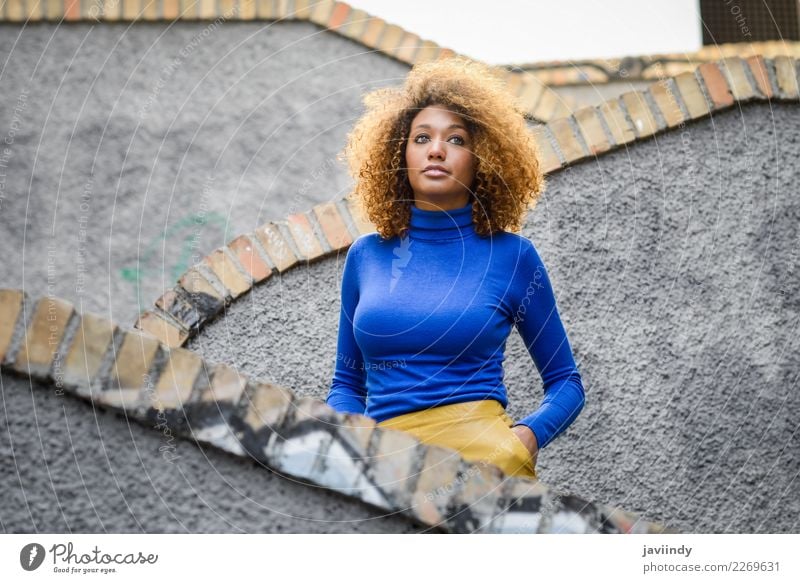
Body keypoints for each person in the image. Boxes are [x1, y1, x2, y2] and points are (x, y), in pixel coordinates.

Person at [325, 57, 585, 480]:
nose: (436, 150)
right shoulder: (365, 256)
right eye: (421, 137)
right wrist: (354, 444)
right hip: (384, 470)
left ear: (482, 158)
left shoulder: (514, 257)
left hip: (487, 468)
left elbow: (566, 383)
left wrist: (523, 440)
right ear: (399, 153)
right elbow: (345, 384)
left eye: (457, 139)